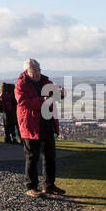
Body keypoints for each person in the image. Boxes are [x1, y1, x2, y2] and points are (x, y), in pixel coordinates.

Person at [17, 58, 65, 197]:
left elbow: (56, 96)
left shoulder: (46, 82)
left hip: (47, 123)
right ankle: (31, 186)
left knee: (50, 156)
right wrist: (42, 101)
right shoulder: (21, 85)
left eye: (39, 70)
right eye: (34, 71)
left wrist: (61, 93)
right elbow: (23, 102)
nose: (37, 73)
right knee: (32, 157)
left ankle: (49, 185)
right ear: (27, 71)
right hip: (31, 126)